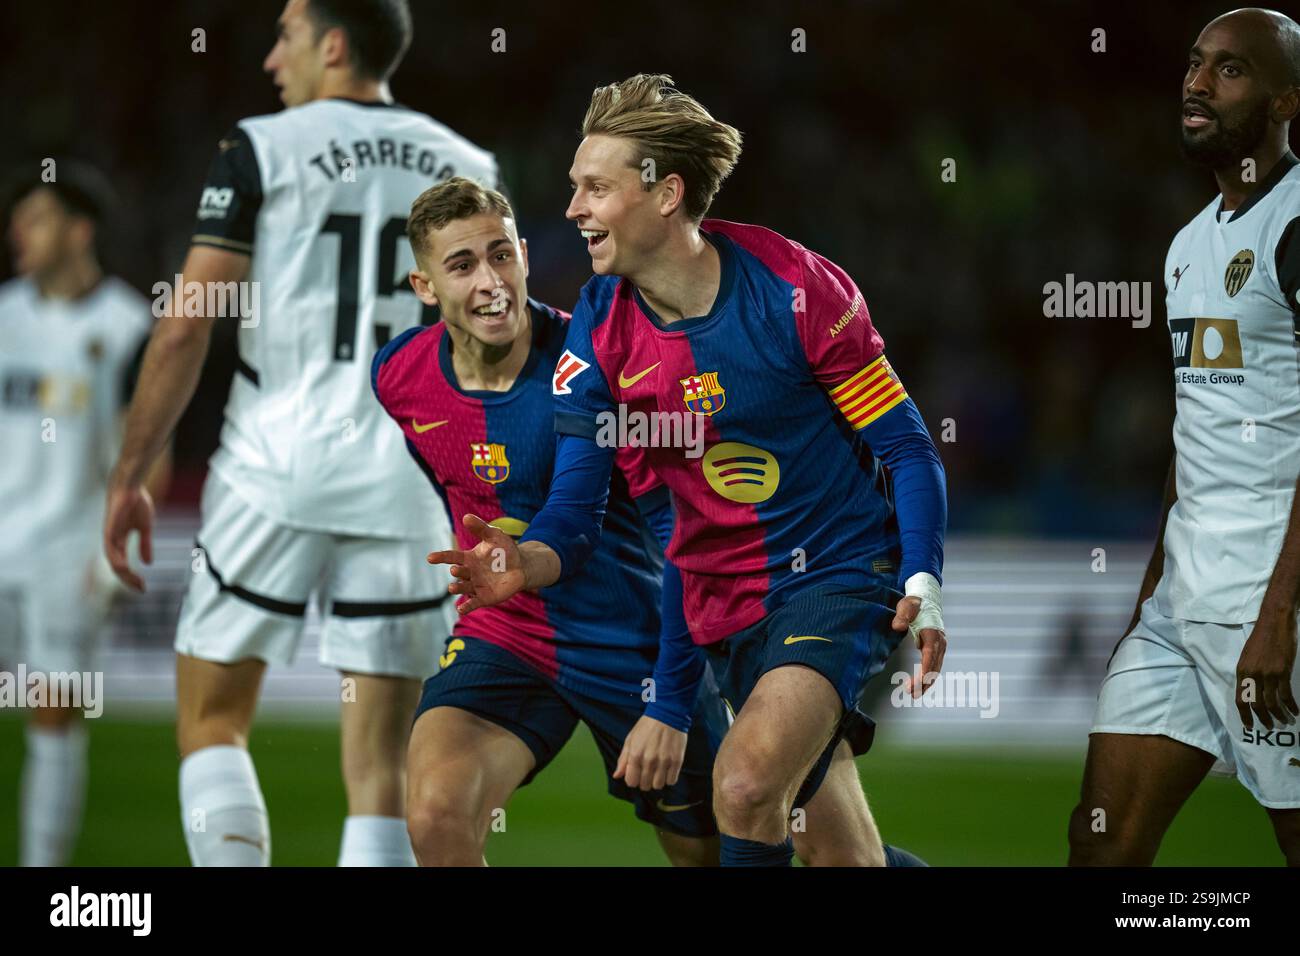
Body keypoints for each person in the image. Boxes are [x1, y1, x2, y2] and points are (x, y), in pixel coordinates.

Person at [431, 74, 947, 866]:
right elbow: (592, 516)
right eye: (575, 188)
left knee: (740, 785)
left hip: (837, 575)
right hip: (725, 610)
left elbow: (906, 446)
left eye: (595, 188)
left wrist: (922, 577)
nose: (573, 209)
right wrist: (527, 561)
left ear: (665, 193)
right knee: (843, 859)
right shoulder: (598, 341)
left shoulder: (797, 289)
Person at [103, 0, 497, 866]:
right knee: (383, 774)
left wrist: (131, 471)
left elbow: (184, 323)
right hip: (411, 483)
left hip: (273, 468)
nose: (272, 61)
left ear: (331, 43)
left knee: (211, 721)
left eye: (283, 37)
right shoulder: (469, 165)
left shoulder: (258, 148)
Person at [374, 176, 725, 865]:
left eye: (501, 255)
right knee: (435, 815)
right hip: (505, 631)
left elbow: (682, 532)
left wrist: (676, 695)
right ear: (423, 286)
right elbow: (455, 485)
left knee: (717, 853)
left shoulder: (602, 366)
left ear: (526, 256)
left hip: (631, 639)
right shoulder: (399, 377)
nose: (490, 281)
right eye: (462, 265)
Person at [1070, 7, 1300, 866]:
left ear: (1286, 103)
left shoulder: (1294, 228)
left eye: (1230, 70)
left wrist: (1279, 618)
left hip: (1271, 606)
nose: (1197, 83)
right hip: (1179, 608)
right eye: (1196, 63)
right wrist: (1152, 590)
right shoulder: (1185, 246)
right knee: (1101, 847)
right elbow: (1195, 422)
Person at [0, 165, 158, 865]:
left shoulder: (126, 326)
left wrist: (113, 550)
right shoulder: (4, 313)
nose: (17, 233)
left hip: (66, 551)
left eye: (35, 218)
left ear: (78, 229)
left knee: (54, 721)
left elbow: (149, 443)